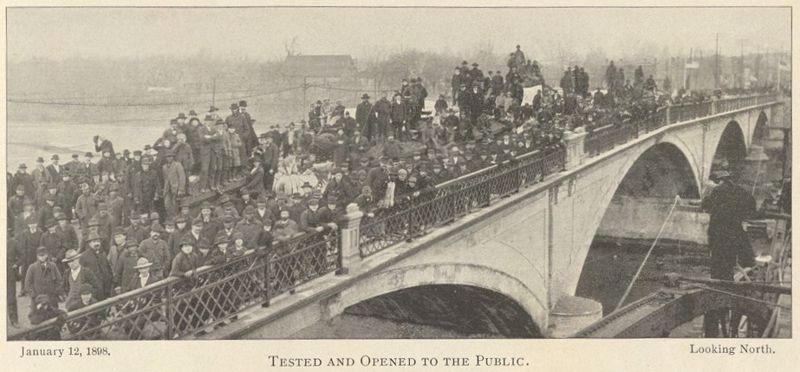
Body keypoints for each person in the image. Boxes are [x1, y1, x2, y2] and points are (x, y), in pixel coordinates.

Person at [700, 169, 757, 337]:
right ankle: (727, 290)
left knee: (718, 267)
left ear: (719, 180)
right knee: (730, 263)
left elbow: (706, 206)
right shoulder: (740, 191)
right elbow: (751, 205)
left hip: (719, 235)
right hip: (734, 234)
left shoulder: (716, 191)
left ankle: (720, 298)